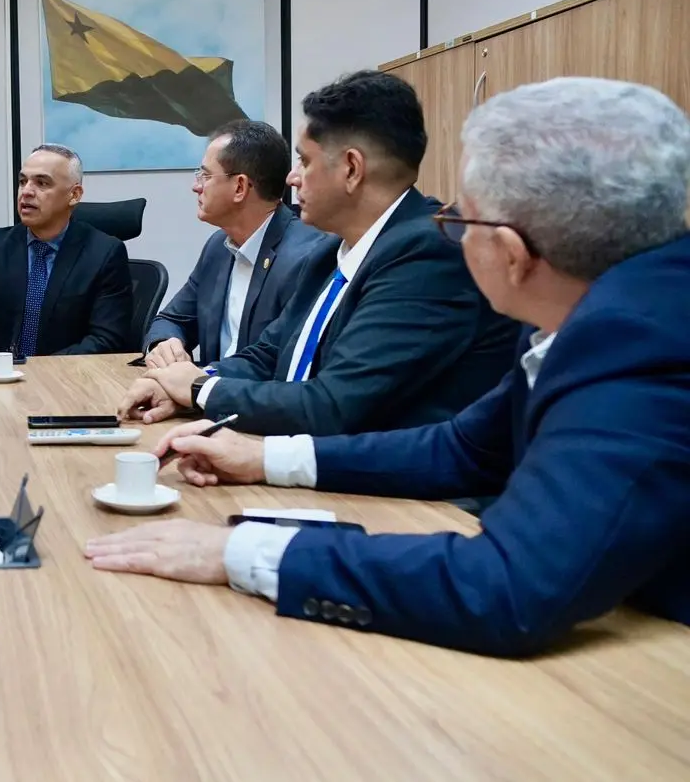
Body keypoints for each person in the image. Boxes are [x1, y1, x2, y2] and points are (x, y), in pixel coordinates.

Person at [86, 77, 690, 656]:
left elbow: (506, 587)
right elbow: (464, 448)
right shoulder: (607, 309)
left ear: (512, 254)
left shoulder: (635, 344)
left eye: (461, 220)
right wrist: (260, 458)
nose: (451, 235)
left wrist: (238, 552)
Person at [119, 71, 518, 436]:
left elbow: (333, 404)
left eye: (305, 161)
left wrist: (199, 389)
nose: (292, 178)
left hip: (392, 483)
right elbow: (267, 355)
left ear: (351, 169)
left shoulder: (427, 255)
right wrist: (186, 385)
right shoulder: (331, 251)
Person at [143, 120, 335, 368]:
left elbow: (276, 362)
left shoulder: (308, 257)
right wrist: (165, 344)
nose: (196, 186)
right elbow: (171, 319)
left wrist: (203, 381)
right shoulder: (218, 247)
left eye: (206, 176)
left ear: (240, 187)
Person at [0, 143, 133, 358]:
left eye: (42, 183)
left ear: (74, 194)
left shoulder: (105, 254)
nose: (26, 192)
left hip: (67, 375)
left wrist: (38, 372)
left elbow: (105, 340)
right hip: (0, 374)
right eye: (23, 181)